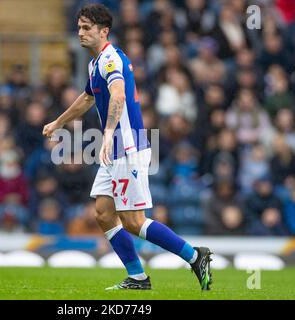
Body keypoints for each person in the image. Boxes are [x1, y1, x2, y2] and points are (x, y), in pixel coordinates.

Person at [43, 4, 212, 291]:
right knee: (103, 212)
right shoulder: (95, 63)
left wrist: (108, 133)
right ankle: (137, 277)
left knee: (133, 221)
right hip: (115, 150)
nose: (80, 32)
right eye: (79, 27)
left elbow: (118, 96)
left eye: (86, 28)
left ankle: (195, 256)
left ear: (103, 31)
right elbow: (87, 98)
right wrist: (58, 121)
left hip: (127, 148)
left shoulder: (111, 60)